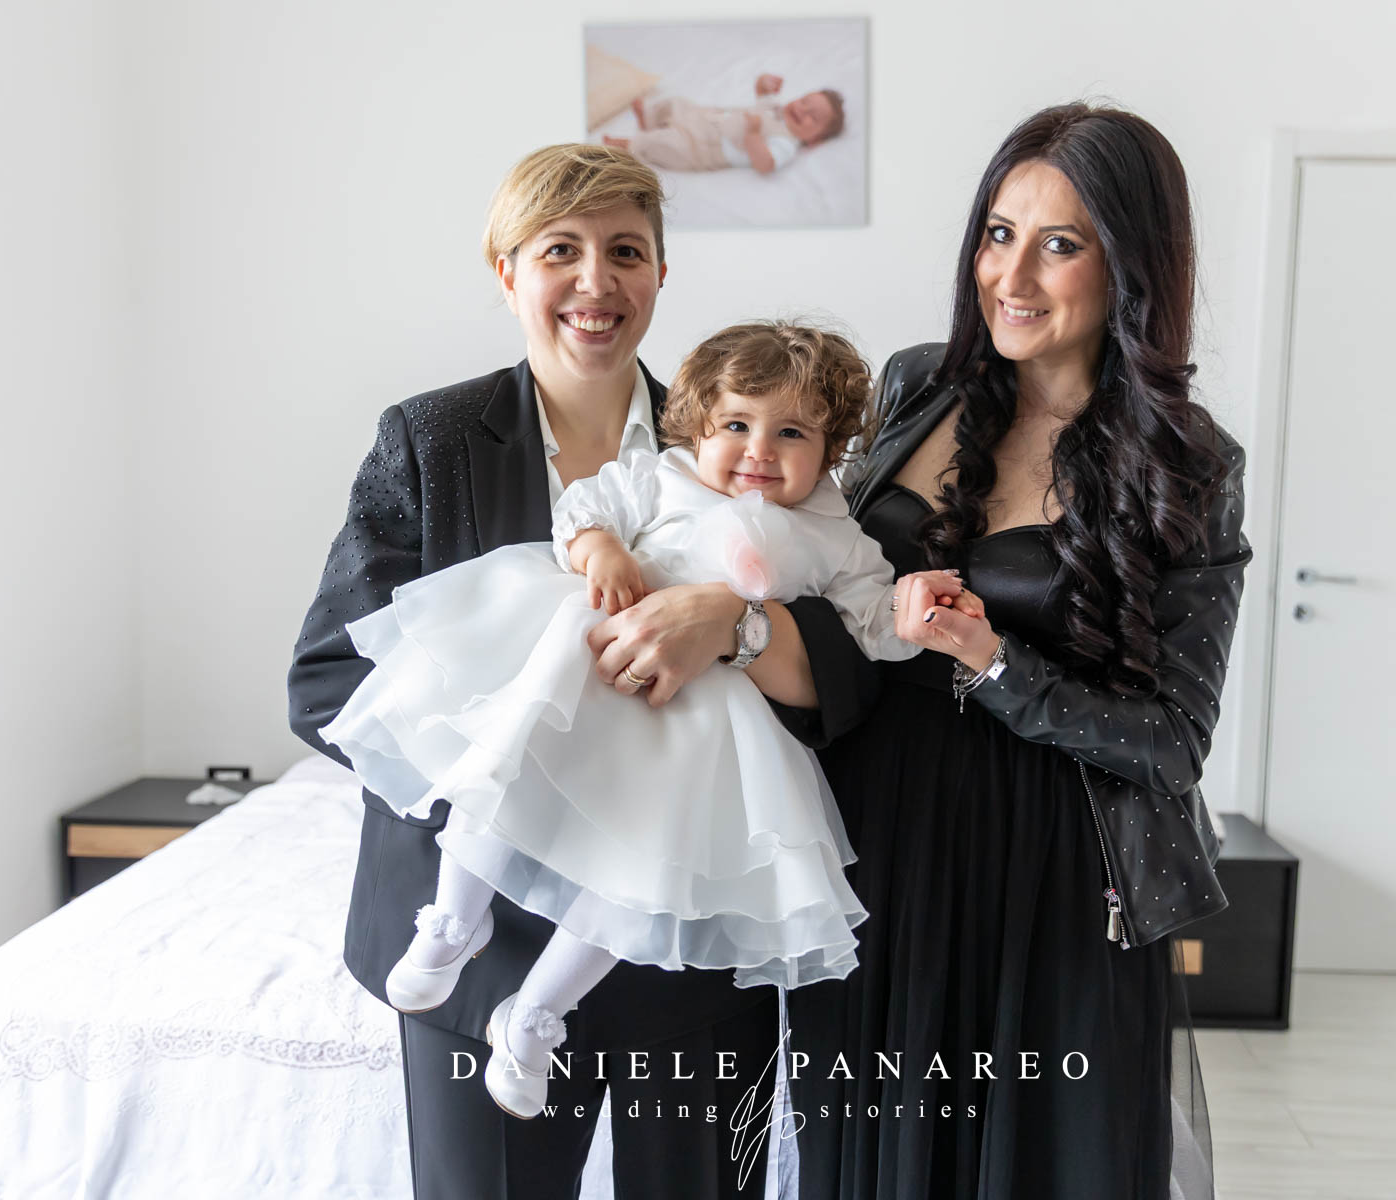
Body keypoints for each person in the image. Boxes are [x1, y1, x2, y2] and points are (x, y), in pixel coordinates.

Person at [287, 144, 879, 1199]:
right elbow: (330, 679)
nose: (595, 281)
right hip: (481, 963)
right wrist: (524, 798)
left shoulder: (749, 436)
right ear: (506, 270)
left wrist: (737, 626)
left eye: (626, 252)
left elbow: (849, 681)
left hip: (687, 956)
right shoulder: (431, 442)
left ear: (661, 273)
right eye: (560, 250)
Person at [787, 103, 1247, 1199]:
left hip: (1050, 875)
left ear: (1130, 264)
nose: (1013, 275)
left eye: (1059, 244)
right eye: (999, 234)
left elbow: (1173, 742)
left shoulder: (1188, 465)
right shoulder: (916, 385)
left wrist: (996, 661)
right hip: (873, 842)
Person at [315, 322, 927, 1119]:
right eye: (736, 424)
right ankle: (452, 919)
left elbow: (869, 625)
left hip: (704, 719)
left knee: (648, 878)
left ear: (831, 445)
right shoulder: (664, 476)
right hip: (595, 665)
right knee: (505, 757)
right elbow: (585, 510)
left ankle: (535, 1016)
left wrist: (913, 611)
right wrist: (600, 550)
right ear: (699, 424)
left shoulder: (836, 534)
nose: (759, 451)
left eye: (792, 433)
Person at [603, 74, 844, 175]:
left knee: (666, 144)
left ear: (814, 140)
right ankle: (649, 118)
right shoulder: (776, 108)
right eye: (804, 101)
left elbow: (766, 164)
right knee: (676, 103)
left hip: (702, 150)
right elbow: (762, 94)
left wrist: (753, 135)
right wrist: (764, 82)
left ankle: (630, 145)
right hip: (703, 118)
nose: (802, 110)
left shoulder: (787, 143)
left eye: (813, 117)